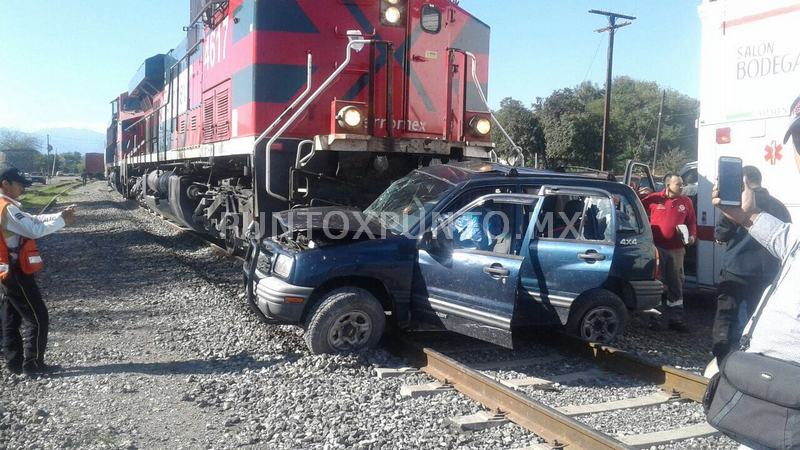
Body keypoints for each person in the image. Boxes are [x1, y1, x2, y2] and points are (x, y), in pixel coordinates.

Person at [0, 167, 75, 376]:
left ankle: (14, 363)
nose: (23, 187)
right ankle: (33, 364)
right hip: (16, 272)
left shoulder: (6, 206)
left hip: (5, 270)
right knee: (38, 317)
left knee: (11, 316)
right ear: (5, 183)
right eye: (19, 184)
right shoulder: (6, 208)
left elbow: (31, 219)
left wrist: (58, 215)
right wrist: (62, 221)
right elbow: (33, 229)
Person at [711, 166, 791, 361]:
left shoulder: (738, 204)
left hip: (735, 271)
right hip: (765, 275)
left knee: (726, 317)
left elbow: (721, 233)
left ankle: (721, 358)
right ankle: (751, 360)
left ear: (744, 181)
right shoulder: (780, 206)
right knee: (757, 319)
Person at [641, 174, 697, 331]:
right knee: (656, 283)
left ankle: (676, 319)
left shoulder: (686, 201)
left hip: (677, 250)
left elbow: (691, 222)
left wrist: (692, 236)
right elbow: (635, 207)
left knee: (676, 283)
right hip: (657, 249)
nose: (682, 186)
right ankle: (654, 318)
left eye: (682, 184)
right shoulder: (654, 199)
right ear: (668, 185)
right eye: (678, 184)